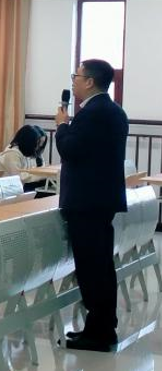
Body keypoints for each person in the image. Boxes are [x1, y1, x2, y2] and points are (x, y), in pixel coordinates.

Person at [55, 59, 129, 352]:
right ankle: (100, 327)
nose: (73, 81)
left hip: (87, 202)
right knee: (100, 266)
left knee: (92, 268)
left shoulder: (93, 113)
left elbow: (70, 150)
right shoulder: (112, 110)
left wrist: (62, 126)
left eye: (77, 76)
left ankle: (99, 333)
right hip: (100, 199)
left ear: (89, 81)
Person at [0, 125, 48, 190]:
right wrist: (43, 175)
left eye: (42, 143)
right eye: (38, 143)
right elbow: (18, 177)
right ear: (28, 141)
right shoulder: (11, 153)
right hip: (13, 188)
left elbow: (40, 169)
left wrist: (44, 175)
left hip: (27, 185)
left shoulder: (31, 151)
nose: (40, 146)